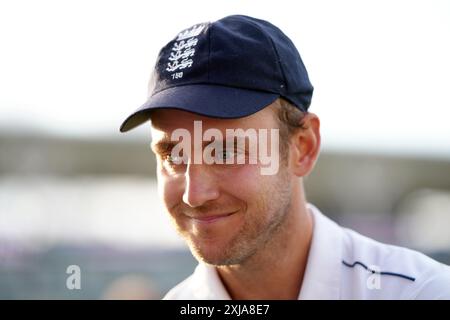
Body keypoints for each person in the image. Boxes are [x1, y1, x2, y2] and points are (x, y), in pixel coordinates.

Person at [119, 15, 450, 299]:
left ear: (303, 146)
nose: (195, 194)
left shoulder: (424, 292)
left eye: (225, 151)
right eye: (174, 155)